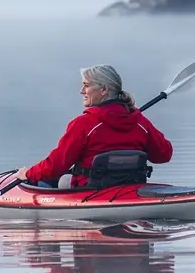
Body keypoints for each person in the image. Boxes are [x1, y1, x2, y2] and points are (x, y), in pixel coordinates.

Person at [14, 64, 172, 188]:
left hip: (90, 190)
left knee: (49, 182)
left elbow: (55, 166)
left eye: (86, 85)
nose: (81, 91)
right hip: (131, 187)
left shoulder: (83, 124)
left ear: (103, 89)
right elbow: (164, 154)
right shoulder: (139, 122)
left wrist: (29, 173)